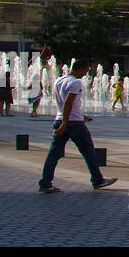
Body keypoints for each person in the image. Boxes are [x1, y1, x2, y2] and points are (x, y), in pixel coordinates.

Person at [38, 58, 118, 193]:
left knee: (54, 153)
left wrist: (79, 116)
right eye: (85, 71)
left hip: (61, 119)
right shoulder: (76, 83)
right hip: (73, 123)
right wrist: (66, 122)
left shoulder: (59, 80)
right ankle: (98, 180)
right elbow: (68, 102)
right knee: (88, 151)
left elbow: (64, 103)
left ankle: (45, 183)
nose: (85, 74)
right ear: (79, 68)